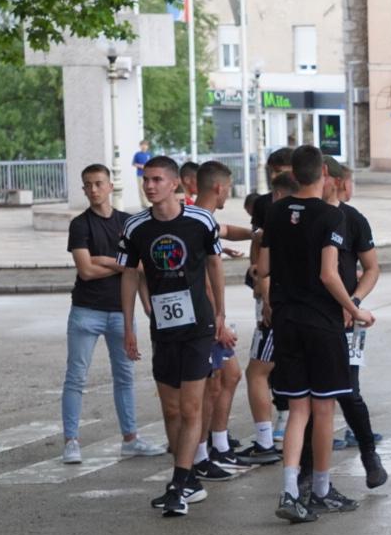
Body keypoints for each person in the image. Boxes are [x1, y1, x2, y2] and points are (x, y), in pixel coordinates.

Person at [260, 145, 375, 523]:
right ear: (324, 173)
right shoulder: (330, 216)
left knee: (297, 408)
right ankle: (322, 489)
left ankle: (290, 489)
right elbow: (329, 274)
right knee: (324, 407)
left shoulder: (275, 212)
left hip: (286, 320)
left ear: (294, 172)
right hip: (321, 322)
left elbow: (265, 268)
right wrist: (355, 308)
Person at [118, 157, 233, 516]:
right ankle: (184, 479)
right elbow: (130, 275)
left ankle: (179, 485)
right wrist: (129, 325)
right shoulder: (136, 227)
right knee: (170, 409)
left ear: (174, 184)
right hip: (163, 328)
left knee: (190, 407)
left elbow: (215, 264)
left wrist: (219, 313)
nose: (149, 186)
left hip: (198, 327)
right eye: (145, 180)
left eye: (156, 180)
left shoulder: (199, 220)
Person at [62, 163, 164, 464]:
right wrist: (123, 264)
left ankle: (130, 439)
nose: (94, 189)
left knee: (124, 377)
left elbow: (142, 268)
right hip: (86, 312)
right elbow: (86, 270)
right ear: (84, 189)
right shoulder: (80, 225)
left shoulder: (129, 223)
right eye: (88, 185)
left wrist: (107, 259)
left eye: (98, 183)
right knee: (75, 378)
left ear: (110, 186)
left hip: (122, 312)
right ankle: (71, 441)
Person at [322, 159, 388, 486]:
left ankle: (369, 454)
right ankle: (311, 477)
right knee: (309, 400)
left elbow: (372, 268)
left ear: (333, 181)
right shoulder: (301, 217)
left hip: (348, 319)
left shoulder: (353, 219)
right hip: (310, 318)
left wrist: (355, 302)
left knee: (349, 392)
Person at [189, 160, 252, 479]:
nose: (229, 192)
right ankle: (202, 455)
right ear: (218, 187)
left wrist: (258, 234)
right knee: (212, 386)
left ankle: (217, 446)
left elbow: (227, 231)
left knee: (227, 378)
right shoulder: (201, 221)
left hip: (206, 318)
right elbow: (204, 279)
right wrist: (218, 322)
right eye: (228, 188)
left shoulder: (204, 220)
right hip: (206, 319)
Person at [233, 149, 296, 466]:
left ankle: (268, 438)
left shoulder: (290, 211)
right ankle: (283, 433)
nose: (280, 177)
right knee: (273, 367)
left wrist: (268, 293)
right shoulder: (270, 207)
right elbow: (259, 245)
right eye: (276, 171)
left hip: (281, 300)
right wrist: (258, 277)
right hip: (278, 296)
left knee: (258, 369)